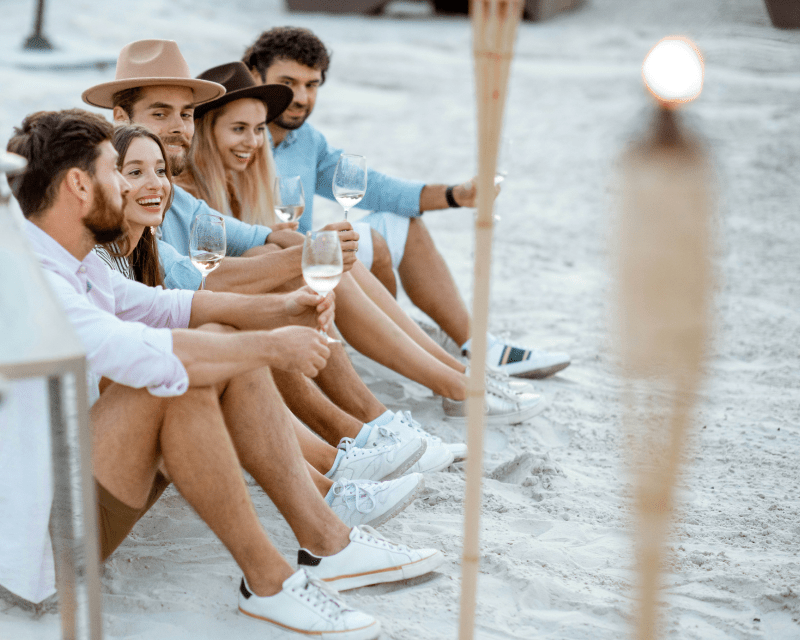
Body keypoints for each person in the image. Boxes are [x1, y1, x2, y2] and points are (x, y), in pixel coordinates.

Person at [8, 108, 446, 638]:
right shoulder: (32, 283)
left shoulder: (74, 261)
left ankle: (317, 550)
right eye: (114, 171)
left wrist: (285, 309)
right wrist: (272, 347)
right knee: (182, 372)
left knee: (206, 353)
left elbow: (167, 306)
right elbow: (140, 350)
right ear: (79, 184)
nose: (126, 188)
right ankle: (289, 568)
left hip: (73, 498)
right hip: (38, 545)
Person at [80, 41, 544, 459]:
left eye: (185, 114)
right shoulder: (123, 192)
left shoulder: (172, 188)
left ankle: (431, 388)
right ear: (120, 119)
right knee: (287, 285)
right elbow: (193, 282)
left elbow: (250, 236)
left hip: (184, 322)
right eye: (161, 114)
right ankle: (399, 413)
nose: (180, 127)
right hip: (136, 355)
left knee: (319, 258)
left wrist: (305, 247)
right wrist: (307, 258)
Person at [98, 122, 426, 527]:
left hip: (134, 429)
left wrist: (287, 306)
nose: (156, 183)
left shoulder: (145, 246)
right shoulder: (97, 266)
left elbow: (184, 301)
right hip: (108, 456)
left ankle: (337, 468)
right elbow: (190, 298)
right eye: (135, 172)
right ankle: (340, 464)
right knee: (215, 350)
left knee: (223, 338)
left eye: (161, 171)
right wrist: (275, 331)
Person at [244, 26, 572, 379]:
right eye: (288, 82)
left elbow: (376, 188)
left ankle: (480, 348)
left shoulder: (305, 139)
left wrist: (455, 195)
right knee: (371, 243)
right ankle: (393, 351)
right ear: (254, 75)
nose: (301, 98)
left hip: (312, 256)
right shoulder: (235, 137)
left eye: (312, 85)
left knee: (401, 221)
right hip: (266, 265)